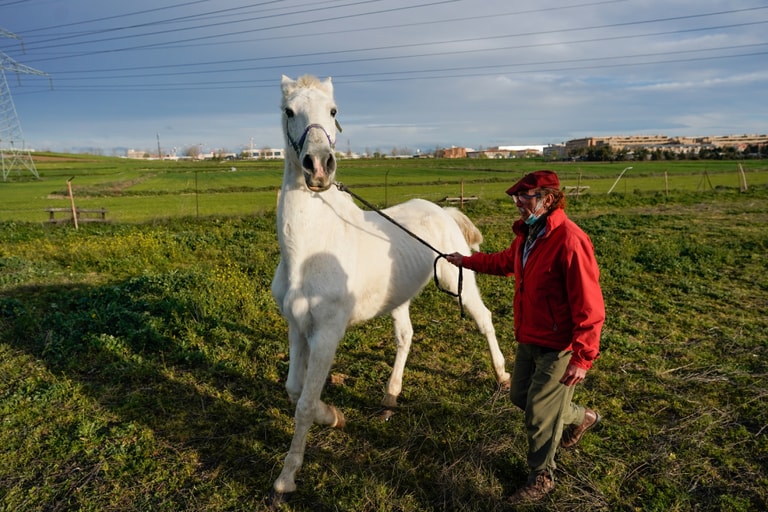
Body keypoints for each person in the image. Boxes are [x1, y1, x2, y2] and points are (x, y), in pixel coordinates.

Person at [445, 170, 605, 505]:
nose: (518, 203)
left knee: (538, 414)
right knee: (521, 396)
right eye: (516, 197)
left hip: (559, 345)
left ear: (548, 199)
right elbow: (504, 262)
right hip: (529, 337)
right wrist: (466, 261)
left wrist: (582, 357)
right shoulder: (528, 236)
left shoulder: (570, 241)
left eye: (525, 196)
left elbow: (590, 304)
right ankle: (582, 417)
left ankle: (542, 476)